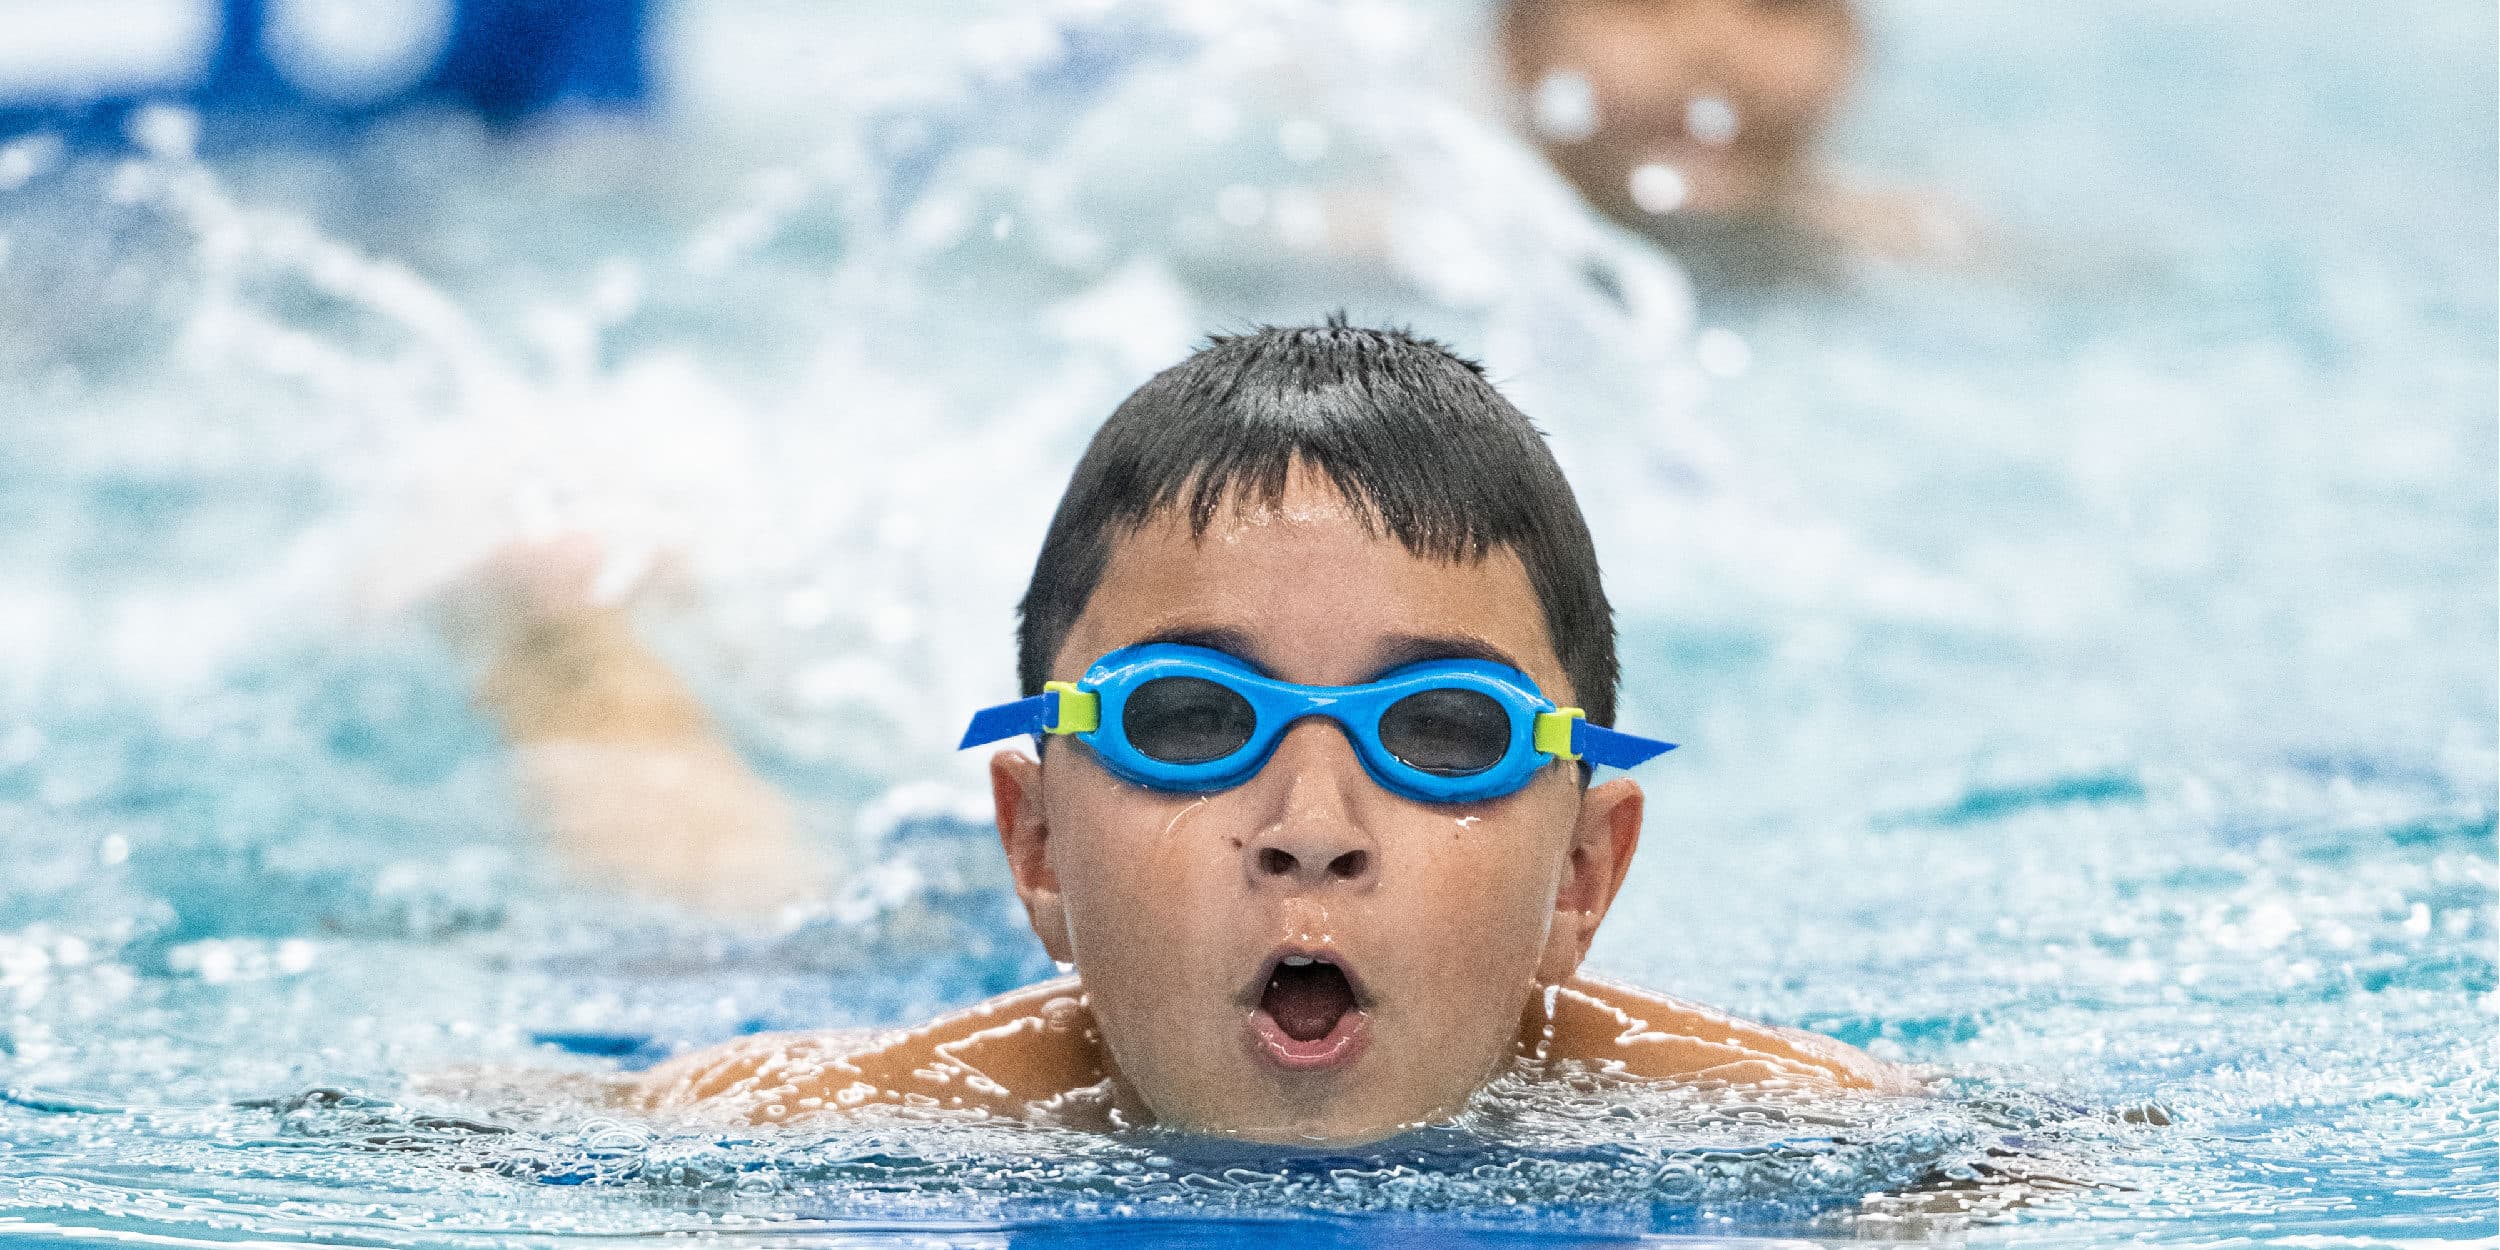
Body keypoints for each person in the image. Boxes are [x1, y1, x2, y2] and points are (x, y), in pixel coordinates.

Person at [456, 321, 1911, 1145]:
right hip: (875, 963)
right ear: (1034, 844)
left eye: (1446, 732)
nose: (1314, 825)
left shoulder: (1789, 1133)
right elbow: (464, 1128)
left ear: (1585, 874)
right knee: (708, 898)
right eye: (1191, 719)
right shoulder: (843, 1121)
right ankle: (554, 625)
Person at [1494, 0, 1972, 298]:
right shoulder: (1443, 236)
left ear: (1852, 46)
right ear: (1519, 36)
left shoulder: (1913, 254)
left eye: (1776, 5)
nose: (1714, 48)